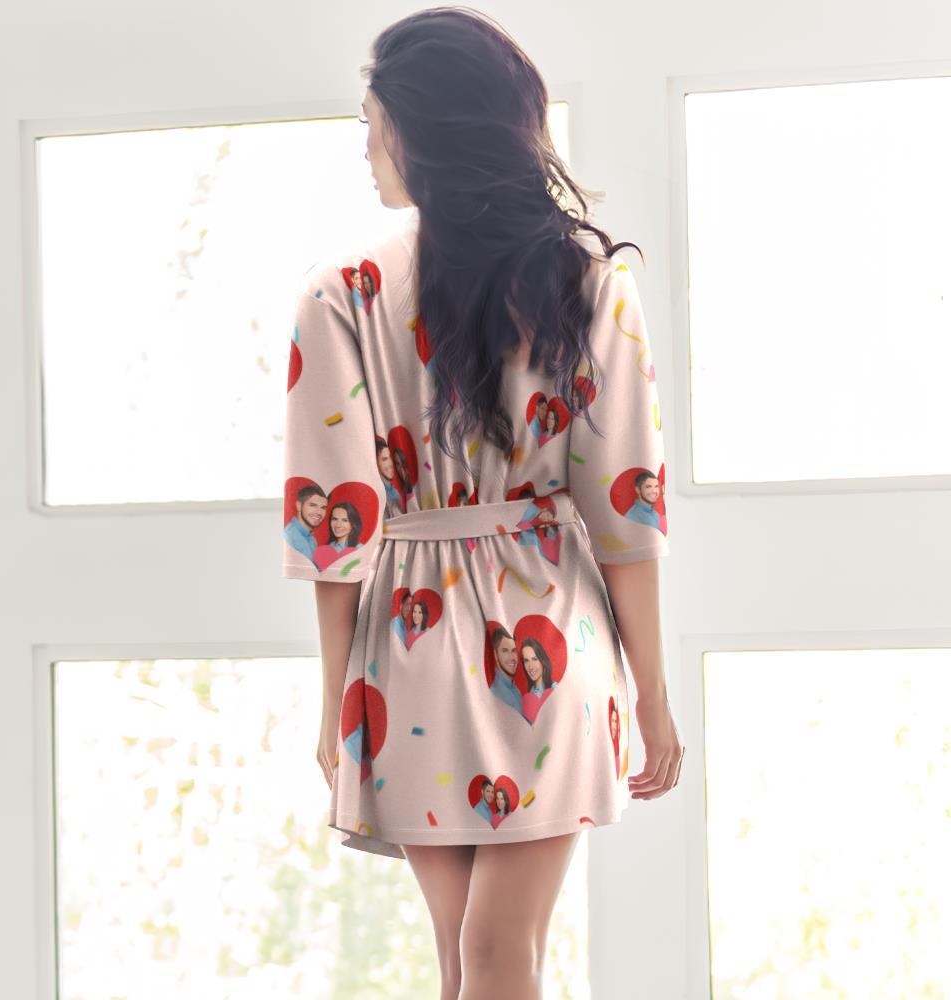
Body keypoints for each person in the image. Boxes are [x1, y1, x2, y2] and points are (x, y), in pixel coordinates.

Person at [281, 9, 684, 998]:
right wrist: (648, 689)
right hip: (545, 628)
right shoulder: (588, 287)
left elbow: (332, 522)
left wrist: (339, 697)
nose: (366, 148)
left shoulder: (341, 295)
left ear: (421, 127)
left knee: (486, 951)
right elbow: (622, 511)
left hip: (408, 640)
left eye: (373, 122)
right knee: (479, 953)